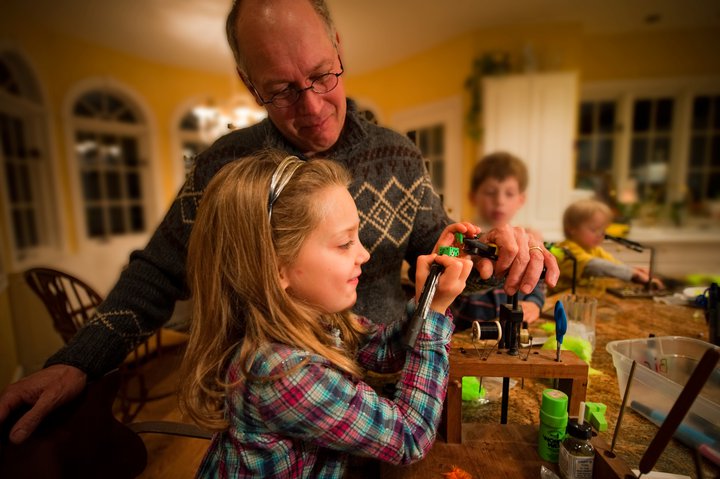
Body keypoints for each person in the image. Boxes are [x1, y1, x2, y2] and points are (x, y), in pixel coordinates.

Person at [0, 0, 558, 445]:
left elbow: (435, 255)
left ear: (339, 48)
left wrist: (491, 251)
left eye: (321, 75)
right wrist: (79, 361)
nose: (312, 108)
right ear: (248, 83)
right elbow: (156, 274)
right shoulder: (225, 168)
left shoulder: (400, 157)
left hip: (390, 385)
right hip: (288, 412)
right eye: (282, 90)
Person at [180, 150, 474, 477]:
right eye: (344, 242)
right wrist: (433, 311)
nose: (363, 254)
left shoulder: (315, 318)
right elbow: (409, 437)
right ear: (277, 269)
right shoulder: (281, 373)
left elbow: (382, 350)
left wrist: (427, 297)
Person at [453, 151, 544, 326]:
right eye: (490, 192)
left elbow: (535, 284)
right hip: (467, 331)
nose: (499, 201)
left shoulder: (526, 242)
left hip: (510, 330)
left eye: (509, 194)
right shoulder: (462, 238)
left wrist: (534, 304)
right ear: (473, 197)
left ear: (521, 200)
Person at [554, 198, 664, 292]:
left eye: (603, 230)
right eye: (594, 229)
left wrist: (635, 270)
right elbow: (594, 266)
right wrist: (634, 274)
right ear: (572, 229)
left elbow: (613, 264)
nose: (600, 234)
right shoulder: (565, 249)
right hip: (560, 302)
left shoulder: (595, 250)